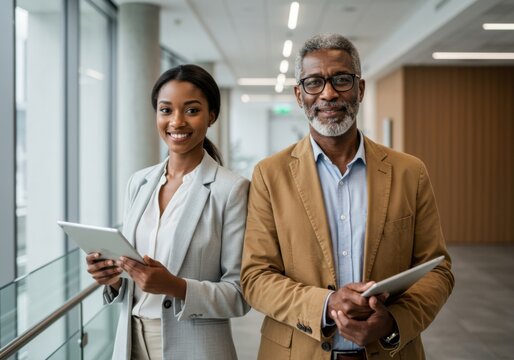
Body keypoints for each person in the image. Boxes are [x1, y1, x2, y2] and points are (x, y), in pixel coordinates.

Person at [240, 34, 455, 360]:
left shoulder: (410, 172)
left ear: (361, 88)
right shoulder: (270, 175)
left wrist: (393, 322)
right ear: (299, 95)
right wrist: (326, 304)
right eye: (314, 82)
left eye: (341, 80)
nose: (328, 93)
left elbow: (437, 271)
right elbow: (255, 278)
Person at [86, 64, 250, 360]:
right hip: (131, 342)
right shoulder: (139, 182)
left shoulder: (232, 189)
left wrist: (176, 287)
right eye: (165, 110)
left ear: (211, 115)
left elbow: (240, 295)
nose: (176, 122)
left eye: (191, 110)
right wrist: (112, 278)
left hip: (195, 348)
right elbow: (134, 277)